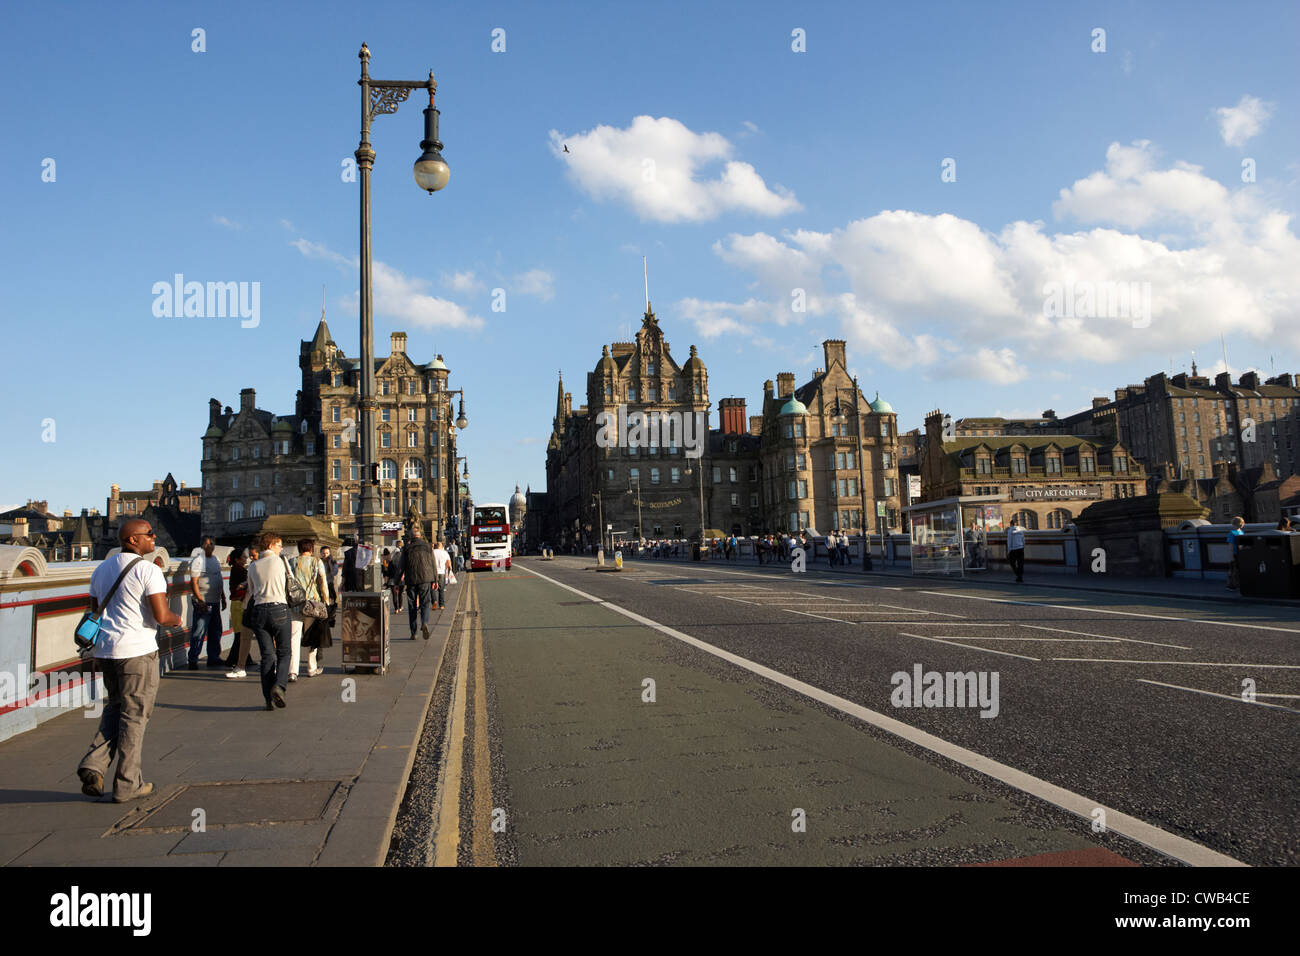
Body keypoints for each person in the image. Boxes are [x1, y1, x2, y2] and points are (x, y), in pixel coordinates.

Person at [77, 519, 182, 803]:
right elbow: (161, 616)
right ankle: (127, 784)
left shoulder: (100, 570)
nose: (154, 537)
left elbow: (94, 611)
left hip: (106, 650)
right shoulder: (149, 570)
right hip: (137, 651)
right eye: (149, 534)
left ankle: (93, 765)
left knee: (115, 708)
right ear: (132, 540)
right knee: (134, 717)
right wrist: (177, 618)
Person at [245, 532, 293, 710]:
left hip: (259, 610)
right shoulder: (280, 561)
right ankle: (279, 686)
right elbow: (291, 581)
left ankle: (267, 699)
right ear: (271, 545)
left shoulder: (253, 565)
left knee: (267, 655)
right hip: (279, 608)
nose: (281, 549)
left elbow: (251, 590)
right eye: (279, 545)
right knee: (284, 652)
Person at [289, 539, 331, 679]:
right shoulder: (316, 561)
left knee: (294, 637)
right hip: (312, 603)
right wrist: (326, 600)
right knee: (312, 636)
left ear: (299, 548)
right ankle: (311, 668)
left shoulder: (292, 562)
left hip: (295, 603)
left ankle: (292, 672)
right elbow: (323, 582)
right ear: (311, 549)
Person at [187, 536, 227, 670]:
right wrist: (200, 600)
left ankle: (213, 657)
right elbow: (194, 582)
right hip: (203, 601)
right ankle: (193, 659)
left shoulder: (215, 560)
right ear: (202, 546)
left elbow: (219, 578)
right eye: (208, 544)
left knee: (216, 631)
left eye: (212, 544)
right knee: (199, 631)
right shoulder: (198, 561)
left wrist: (223, 597)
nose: (211, 546)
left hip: (215, 600)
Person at [225, 546, 256, 678]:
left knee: (241, 633)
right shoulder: (240, 571)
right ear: (237, 560)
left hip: (237, 604)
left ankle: (245, 659)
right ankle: (232, 659)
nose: (246, 559)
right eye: (243, 557)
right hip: (240, 604)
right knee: (240, 633)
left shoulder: (238, 570)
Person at [401, 526, 436, 640]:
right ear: (420, 536)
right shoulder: (428, 546)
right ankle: (424, 622)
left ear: (411, 537)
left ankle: (414, 632)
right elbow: (433, 564)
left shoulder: (407, 548)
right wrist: (435, 580)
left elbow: (401, 567)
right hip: (425, 579)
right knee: (425, 603)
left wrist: (397, 582)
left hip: (411, 579)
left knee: (412, 606)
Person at [432, 538, 453, 619]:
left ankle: (434, 601)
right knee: (441, 589)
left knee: (433, 588)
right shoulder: (445, 553)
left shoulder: (432, 552)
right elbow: (448, 563)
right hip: (442, 572)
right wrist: (447, 568)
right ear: (441, 546)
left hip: (433, 572)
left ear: (436, 546)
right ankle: (441, 605)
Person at [1227, 516, 1245, 590]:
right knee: (1234, 570)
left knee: (1235, 569)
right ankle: (1232, 585)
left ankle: (1235, 584)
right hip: (1236, 554)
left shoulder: (1238, 532)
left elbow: (1233, 545)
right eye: (1241, 523)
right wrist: (1231, 556)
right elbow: (1231, 545)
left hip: (1238, 553)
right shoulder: (1236, 533)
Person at [1007, 518, 1026, 583]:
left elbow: (1009, 541)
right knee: (1021, 563)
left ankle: (1017, 573)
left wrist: (1008, 550)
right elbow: (1023, 539)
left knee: (1012, 562)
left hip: (1013, 549)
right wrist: (1023, 546)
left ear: (1011, 524)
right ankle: (1020, 576)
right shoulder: (1021, 531)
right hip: (1021, 548)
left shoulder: (1010, 531)